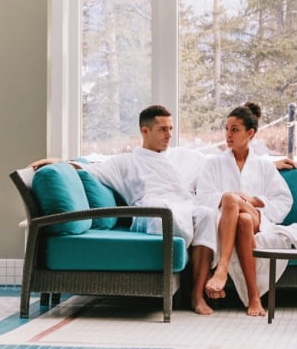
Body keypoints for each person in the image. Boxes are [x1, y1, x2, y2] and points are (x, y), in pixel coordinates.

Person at [26, 105, 226, 315]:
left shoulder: (174, 158)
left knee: (208, 215)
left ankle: (196, 294)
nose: (169, 135)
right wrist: (60, 163)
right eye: (163, 130)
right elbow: (91, 168)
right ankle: (190, 283)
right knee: (168, 212)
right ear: (145, 131)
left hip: (182, 205)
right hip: (152, 213)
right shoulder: (126, 162)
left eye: (171, 129)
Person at [192, 103, 297, 317]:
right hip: (232, 221)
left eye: (235, 129)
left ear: (250, 133)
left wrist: (253, 200)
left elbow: (284, 200)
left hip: (259, 219)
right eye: (227, 128)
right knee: (241, 218)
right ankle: (254, 297)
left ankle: (220, 269)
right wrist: (230, 201)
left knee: (234, 202)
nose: (228, 134)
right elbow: (202, 196)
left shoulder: (264, 166)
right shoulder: (213, 164)